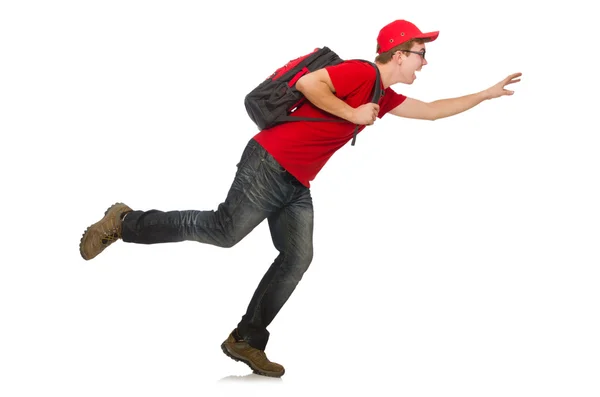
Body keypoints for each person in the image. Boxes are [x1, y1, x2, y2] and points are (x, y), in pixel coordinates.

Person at [79, 19, 521, 377]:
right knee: (223, 231)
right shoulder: (362, 72)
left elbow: (430, 109)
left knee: (297, 256)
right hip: (270, 162)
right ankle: (124, 221)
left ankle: (246, 339)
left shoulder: (379, 93)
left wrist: (483, 95)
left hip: (295, 183)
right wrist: (351, 113)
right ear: (400, 52)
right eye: (422, 53)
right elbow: (311, 83)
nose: (425, 62)